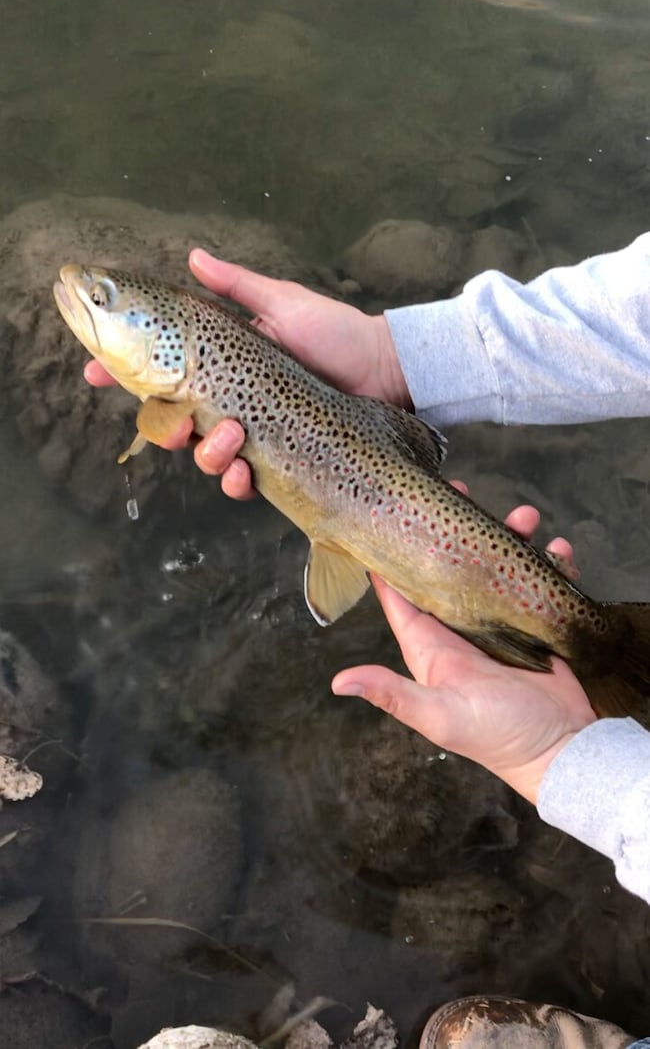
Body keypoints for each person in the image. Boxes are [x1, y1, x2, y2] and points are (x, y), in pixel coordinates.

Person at [85, 237, 650, 1048]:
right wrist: (389, 353)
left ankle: (595, 642)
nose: (80, 295)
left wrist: (570, 761)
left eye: (103, 299)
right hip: (395, 510)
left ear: (168, 346)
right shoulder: (188, 374)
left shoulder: (181, 383)